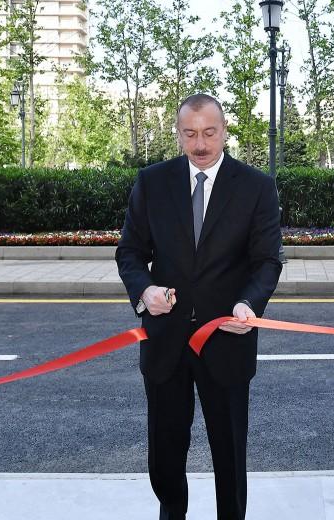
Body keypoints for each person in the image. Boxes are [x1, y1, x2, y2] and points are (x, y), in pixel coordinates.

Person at [116, 94, 283, 520]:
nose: (201, 144)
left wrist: (249, 303)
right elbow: (130, 253)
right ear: (178, 134)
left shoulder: (255, 187)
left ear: (224, 131)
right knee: (165, 452)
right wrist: (146, 291)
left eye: (209, 132)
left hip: (227, 340)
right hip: (165, 342)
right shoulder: (152, 182)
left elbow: (266, 261)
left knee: (229, 452)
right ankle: (172, 513)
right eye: (190, 134)